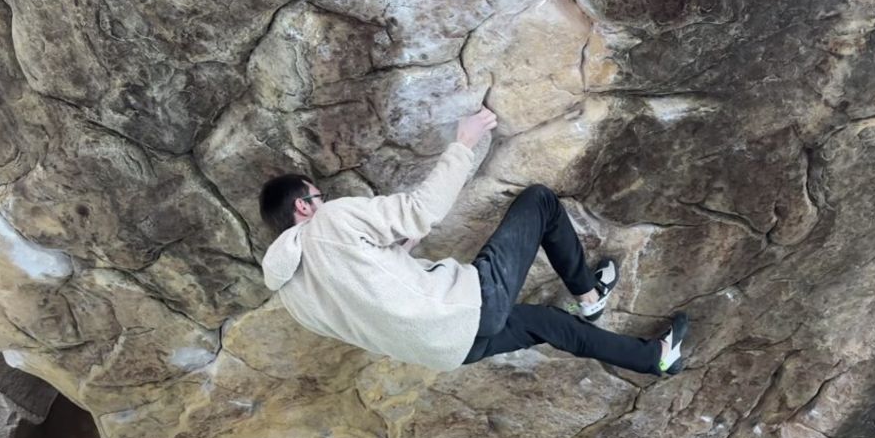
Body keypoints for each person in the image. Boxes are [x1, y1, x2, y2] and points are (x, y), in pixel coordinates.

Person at [258, 107, 688, 375]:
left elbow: (367, 300)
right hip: (470, 308)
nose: (324, 200)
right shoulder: (327, 221)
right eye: (318, 195)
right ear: (303, 207)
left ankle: (655, 359)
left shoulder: (293, 298)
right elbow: (420, 210)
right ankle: (589, 295)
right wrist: (464, 143)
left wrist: (399, 251)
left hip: (446, 351)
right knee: (539, 202)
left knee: (547, 324)